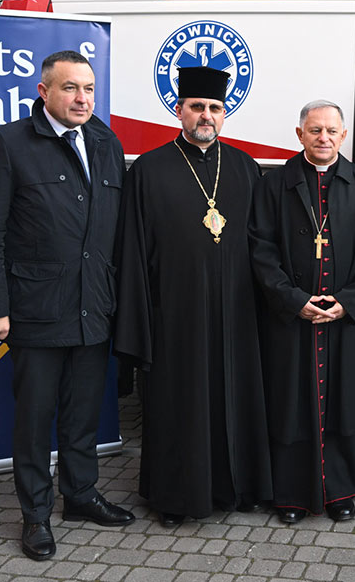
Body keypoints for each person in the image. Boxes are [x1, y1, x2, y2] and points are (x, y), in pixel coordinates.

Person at [0, 51, 135, 562]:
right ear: (44, 92)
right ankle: (36, 514)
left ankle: (80, 496)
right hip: (35, 309)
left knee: (83, 414)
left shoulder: (106, 142)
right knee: (36, 420)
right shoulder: (7, 143)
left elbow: (114, 229)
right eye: (70, 88)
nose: (82, 98)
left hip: (93, 306)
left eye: (88, 88)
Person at [113, 65, 272, 527]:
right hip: (175, 313)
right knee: (178, 404)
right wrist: (139, 318)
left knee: (235, 396)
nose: (206, 115)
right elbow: (133, 249)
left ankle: (237, 487)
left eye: (215, 108)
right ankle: (176, 497)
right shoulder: (148, 169)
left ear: (225, 115)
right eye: (197, 107)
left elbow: (263, 245)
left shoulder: (244, 167)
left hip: (236, 312)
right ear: (179, 110)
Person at [249, 100, 355, 524]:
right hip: (293, 319)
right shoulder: (275, 184)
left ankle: (341, 489)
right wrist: (294, 301)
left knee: (345, 404)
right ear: (300, 135)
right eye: (315, 131)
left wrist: (347, 302)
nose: (324, 138)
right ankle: (291, 493)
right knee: (290, 405)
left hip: (345, 320)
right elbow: (261, 249)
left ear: (343, 136)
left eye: (331, 131)